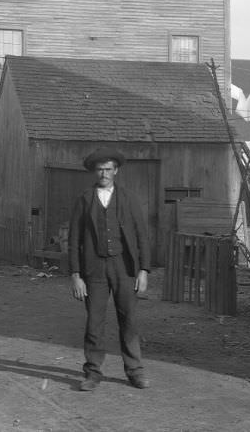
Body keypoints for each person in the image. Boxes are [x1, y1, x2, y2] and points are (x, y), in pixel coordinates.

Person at [68, 147, 151, 391]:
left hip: (124, 268)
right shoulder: (85, 199)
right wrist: (76, 275)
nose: (104, 173)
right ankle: (93, 372)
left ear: (116, 171)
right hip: (93, 270)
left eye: (108, 169)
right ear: (95, 171)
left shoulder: (129, 198)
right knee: (94, 321)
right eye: (100, 169)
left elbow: (142, 236)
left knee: (129, 320)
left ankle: (134, 371)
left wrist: (144, 270)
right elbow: (74, 240)